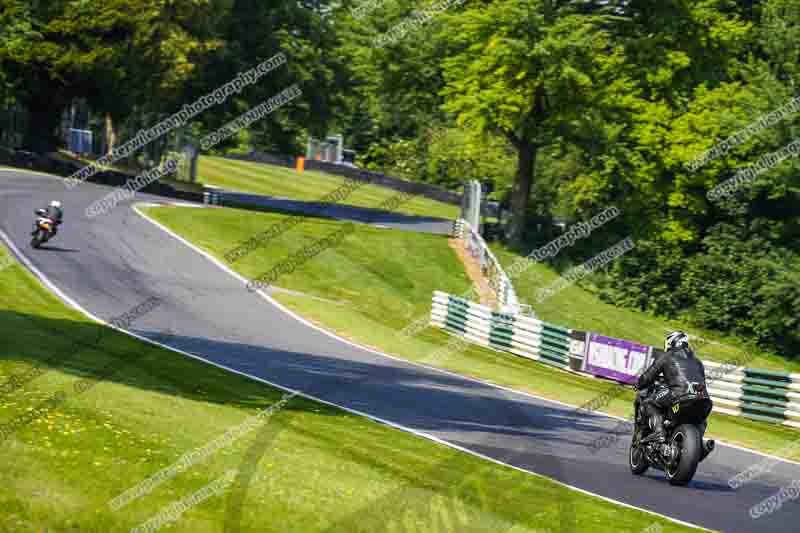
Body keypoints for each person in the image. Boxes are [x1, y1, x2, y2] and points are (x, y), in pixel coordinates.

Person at [636, 331, 714, 456]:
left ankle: (659, 433)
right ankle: (700, 446)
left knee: (648, 403)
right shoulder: (698, 361)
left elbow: (649, 376)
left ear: (671, 343)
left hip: (678, 394)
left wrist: (639, 384)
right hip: (703, 399)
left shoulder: (667, 356)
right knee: (702, 420)